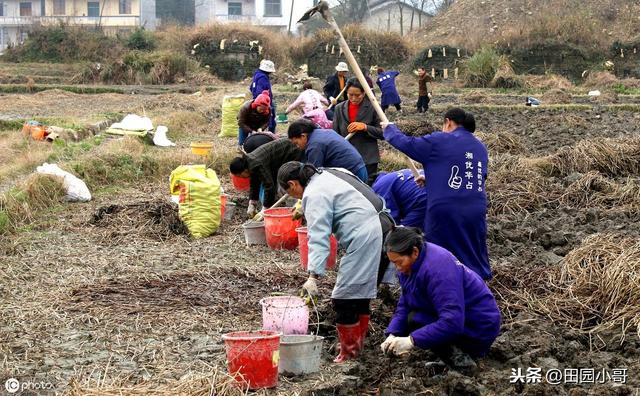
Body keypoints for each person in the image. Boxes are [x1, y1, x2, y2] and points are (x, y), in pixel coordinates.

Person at [277, 162, 383, 363]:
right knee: (359, 294)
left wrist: (313, 276)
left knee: (343, 298)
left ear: (292, 183)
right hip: (378, 225)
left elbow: (318, 237)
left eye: (290, 193)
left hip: (364, 235)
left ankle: (349, 353)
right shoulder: (329, 172)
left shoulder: (314, 194)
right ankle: (356, 346)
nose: (294, 198)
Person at [383, 108, 491, 280]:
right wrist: (432, 180)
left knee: (439, 253)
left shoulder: (440, 139)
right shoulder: (480, 147)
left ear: (448, 122)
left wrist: (389, 129)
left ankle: (442, 287)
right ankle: (476, 286)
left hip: (446, 211)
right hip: (475, 210)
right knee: (471, 250)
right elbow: (470, 178)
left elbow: (407, 144)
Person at [380, 227, 501, 372]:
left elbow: (452, 322)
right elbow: (406, 303)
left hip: (478, 326)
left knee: (417, 319)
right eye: (393, 263)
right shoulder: (410, 266)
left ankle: (463, 365)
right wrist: (393, 333)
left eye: (399, 262)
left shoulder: (438, 270)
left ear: (414, 252)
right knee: (413, 318)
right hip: (462, 318)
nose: (397, 268)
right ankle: (451, 358)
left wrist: (412, 340)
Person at [229, 139, 303, 217]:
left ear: (244, 171)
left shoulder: (256, 164)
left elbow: (269, 186)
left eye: (240, 176)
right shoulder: (249, 162)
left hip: (291, 151)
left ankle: (297, 207)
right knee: (277, 181)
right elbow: (254, 183)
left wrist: (265, 208)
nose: (242, 178)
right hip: (277, 159)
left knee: (288, 180)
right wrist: (252, 203)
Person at [332, 78, 383, 186]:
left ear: (364, 93)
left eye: (357, 95)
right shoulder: (339, 108)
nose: (354, 98)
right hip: (346, 158)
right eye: (350, 95)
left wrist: (365, 127)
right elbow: (335, 134)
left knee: (367, 188)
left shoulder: (373, 108)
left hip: (367, 159)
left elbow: (383, 133)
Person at [287, 118, 368, 183]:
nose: (297, 146)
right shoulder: (323, 132)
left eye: (296, 143)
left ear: (303, 136)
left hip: (352, 174)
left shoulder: (314, 145)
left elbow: (315, 174)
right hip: (360, 167)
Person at [250, 59, 276, 132]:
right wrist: (266, 103)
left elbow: (251, 87)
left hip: (257, 102)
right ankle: (270, 136)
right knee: (270, 120)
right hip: (264, 102)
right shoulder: (263, 77)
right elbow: (260, 91)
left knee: (259, 120)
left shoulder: (257, 75)